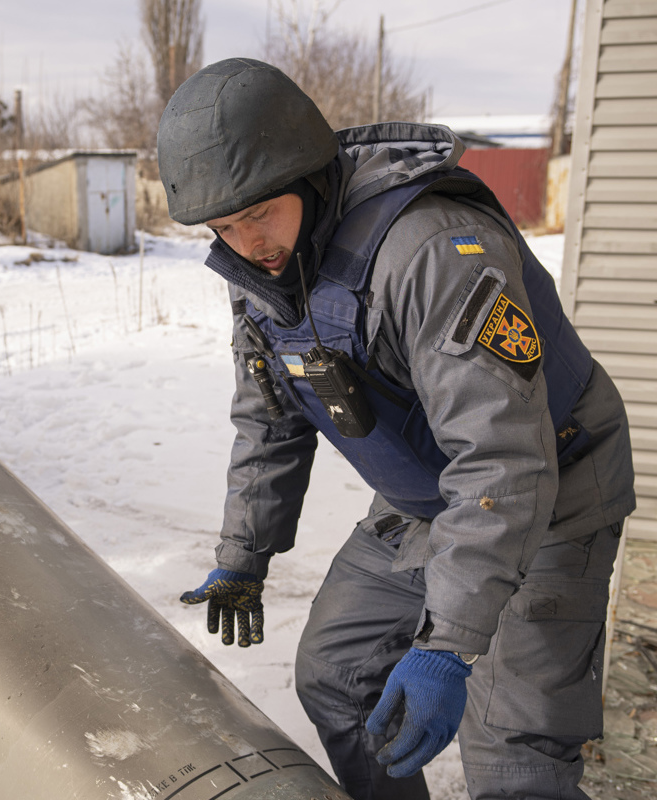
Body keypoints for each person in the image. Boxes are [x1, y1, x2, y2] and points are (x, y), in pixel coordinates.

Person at [158, 59, 635, 800]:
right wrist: (242, 555)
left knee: (515, 757)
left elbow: (505, 462)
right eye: (224, 226)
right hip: (430, 495)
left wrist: (446, 648)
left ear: (310, 177)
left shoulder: (430, 250)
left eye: (257, 214)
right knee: (337, 678)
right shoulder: (266, 270)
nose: (246, 243)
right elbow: (270, 415)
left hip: (553, 486)